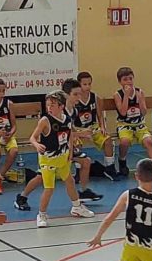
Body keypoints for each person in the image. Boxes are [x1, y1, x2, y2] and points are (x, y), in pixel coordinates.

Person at [14, 81, 103, 211]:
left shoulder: (72, 111)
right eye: (75, 94)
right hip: (50, 151)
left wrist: (83, 135)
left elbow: (70, 131)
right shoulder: (53, 114)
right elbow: (59, 132)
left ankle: (83, 192)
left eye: (80, 94)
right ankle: (23, 197)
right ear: (66, 96)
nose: (79, 97)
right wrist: (81, 134)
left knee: (85, 162)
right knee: (41, 178)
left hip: (64, 150)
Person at [29, 90, 94, 228]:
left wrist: (70, 152)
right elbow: (32, 137)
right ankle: (41, 214)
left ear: (61, 106)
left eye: (52, 105)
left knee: (70, 181)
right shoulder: (45, 121)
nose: (49, 108)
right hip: (48, 160)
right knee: (49, 188)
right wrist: (36, 145)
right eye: (47, 105)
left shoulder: (67, 120)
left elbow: (69, 136)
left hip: (63, 157)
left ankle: (76, 207)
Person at [112, 67, 152, 180]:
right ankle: (122, 161)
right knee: (124, 141)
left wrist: (140, 100)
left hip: (139, 124)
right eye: (125, 79)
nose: (128, 82)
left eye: (130, 79)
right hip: (124, 124)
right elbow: (123, 112)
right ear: (120, 82)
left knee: (148, 141)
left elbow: (144, 112)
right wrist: (126, 95)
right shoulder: (118, 95)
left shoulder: (140, 92)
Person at [75, 71, 118, 179]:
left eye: (89, 84)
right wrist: (78, 133)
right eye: (85, 84)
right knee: (76, 143)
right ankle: (78, 171)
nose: (88, 86)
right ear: (79, 84)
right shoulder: (74, 99)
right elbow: (70, 119)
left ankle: (109, 168)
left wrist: (102, 127)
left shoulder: (95, 97)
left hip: (93, 127)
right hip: (78, 129)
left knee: (108, 140)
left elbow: (100, 115)